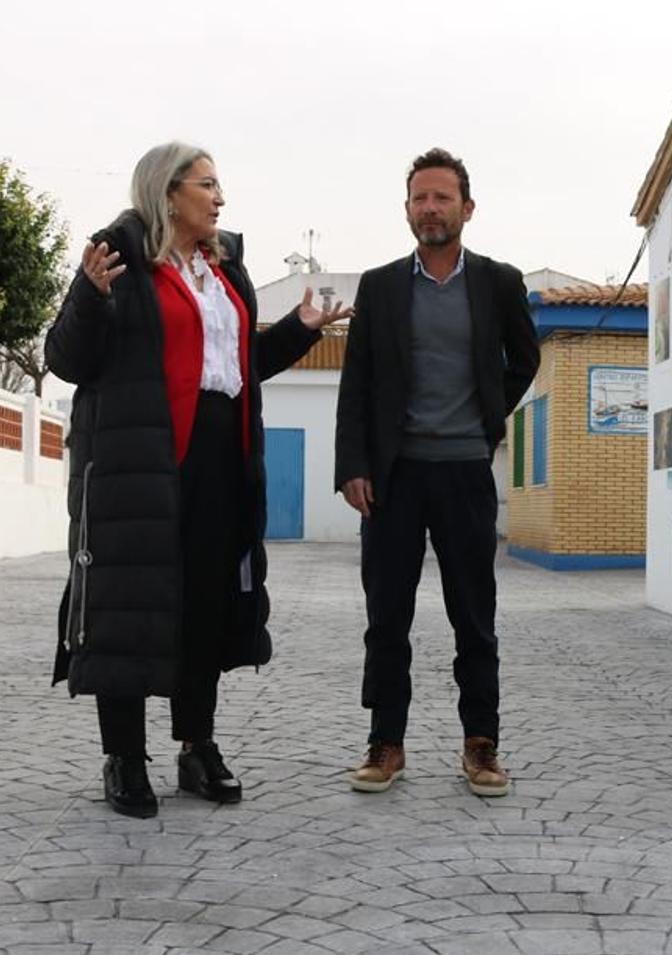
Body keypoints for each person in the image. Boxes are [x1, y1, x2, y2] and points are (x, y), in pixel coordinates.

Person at [47, 142, 352, 818]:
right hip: (141, 462)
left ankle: (197, 745)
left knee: (207, 602)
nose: (220, 198)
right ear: (168, 191)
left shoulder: (225, 273)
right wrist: (89, 295)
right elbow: (67, 358)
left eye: (219, 186)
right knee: (128, 604)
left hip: (221, 458)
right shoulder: (120, 261)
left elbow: (240, 367)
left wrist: (301, 331)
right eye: (208, 184)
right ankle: (124, 758)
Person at [335, 147, 540, 797]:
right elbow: (357, 382)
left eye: (442, 197)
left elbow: (525, 359)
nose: (430, 207)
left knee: (473, 616)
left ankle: (481, 744)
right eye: (420, 198)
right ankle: (385, 741)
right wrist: (353, 466)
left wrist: (487, 414)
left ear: (467, 209)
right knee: (386, 618)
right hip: (394, 479)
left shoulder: (499, 283)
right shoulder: (381, 286)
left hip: (464, 473)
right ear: (407, 211)